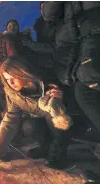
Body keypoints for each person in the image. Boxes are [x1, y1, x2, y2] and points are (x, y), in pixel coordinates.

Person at [0, 56, 74, 169]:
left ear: (22, 72)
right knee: (34, 127)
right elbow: (10, 119)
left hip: (58, 117)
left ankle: (58, 156)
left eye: (13, 77)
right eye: (7, 79)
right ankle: (45, 147)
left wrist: (62, 98)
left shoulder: (47, 83)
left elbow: (70, 102)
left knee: (58, 120)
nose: (10, 82)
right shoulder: (13, 94)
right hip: (37, 116)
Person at [41, 2, 100, 133]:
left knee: (85, 87)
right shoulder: (57, 26)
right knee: (81, 92)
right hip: (77, 59)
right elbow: (47, 13)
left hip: (88, 41)